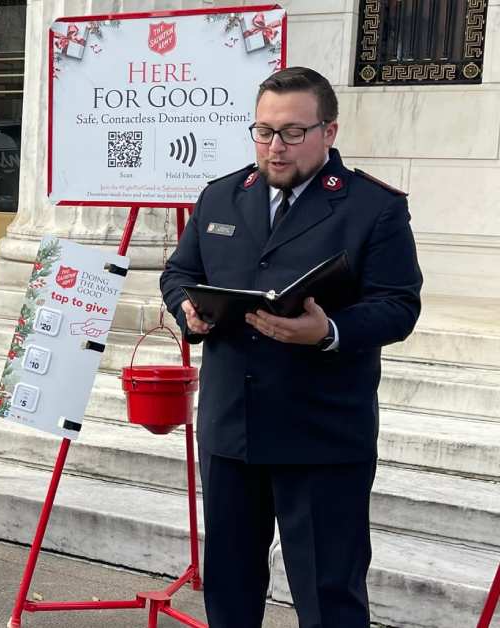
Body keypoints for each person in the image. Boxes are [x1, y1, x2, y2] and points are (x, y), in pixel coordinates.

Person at [159, 67, 422, 627]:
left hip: (321, 436)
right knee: (229, 589)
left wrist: (328, 333)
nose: (275, 148)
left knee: (329, 597)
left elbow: (399, 304)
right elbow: (180, 271)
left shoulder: (372, 207)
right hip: (233, 430)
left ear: (329, 131)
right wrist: (188, 309)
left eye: (292, 133)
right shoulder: (222, 196)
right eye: (263, 131)